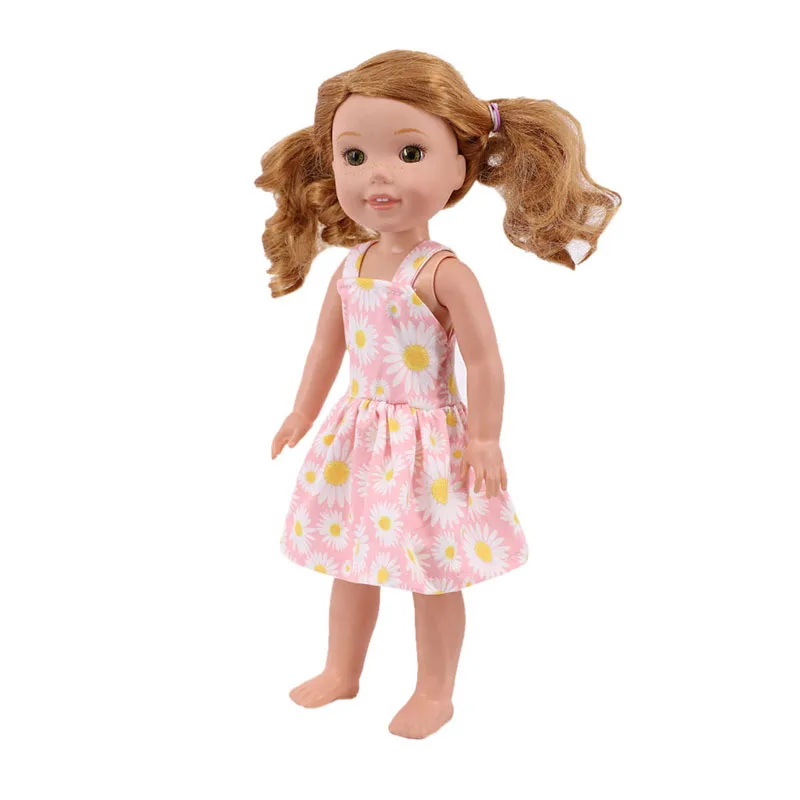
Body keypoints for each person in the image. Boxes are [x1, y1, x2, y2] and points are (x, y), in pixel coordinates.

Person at [255, 49, 620, 740]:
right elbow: (327, 349)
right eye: (354, 156)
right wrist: (302, 410)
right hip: (358, 440)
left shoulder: (444, 273)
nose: (378, 174)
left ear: (460, 168)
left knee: (432, 572)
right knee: (351, 560)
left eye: (410, 152)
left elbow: (485, 362)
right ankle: (342, 670)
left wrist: (485, 438)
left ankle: (434, 691)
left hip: (427, 444)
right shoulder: (350, 266)